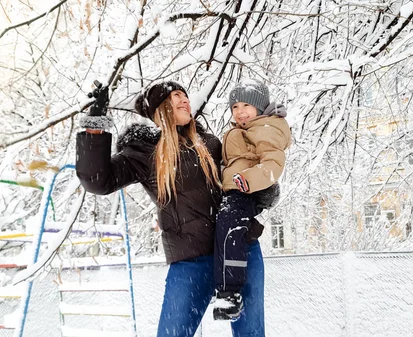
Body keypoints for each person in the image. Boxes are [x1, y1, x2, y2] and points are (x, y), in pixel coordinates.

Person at [75, 80, 271, 337]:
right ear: (160, 109)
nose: (185, 100)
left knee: (251, 334)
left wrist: (264, 189)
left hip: (239, 249)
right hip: (191, 260)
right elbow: (97, 180)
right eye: (176, 96)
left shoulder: (211, 144)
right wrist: (95, 125)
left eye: (185, 95)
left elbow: (239, 184)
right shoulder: (144, 152)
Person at [213, 79, 291, 325]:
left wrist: (249, 181)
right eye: (235, 107)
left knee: (230, 228)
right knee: (226, 227)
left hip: (245, 189)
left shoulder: (266, 128)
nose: (240, 111)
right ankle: (229, 287)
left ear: (260, 107)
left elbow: (273, 164)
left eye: (246, 105)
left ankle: (230, 291)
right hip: (235, 188)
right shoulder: (244, 130)